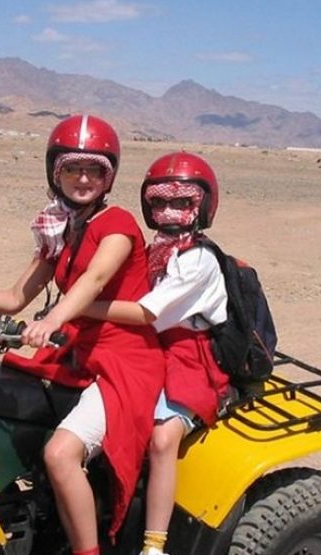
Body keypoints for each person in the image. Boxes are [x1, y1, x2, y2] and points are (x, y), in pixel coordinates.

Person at [0, 114, 164, 555]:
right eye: (72, 168)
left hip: (123, 362)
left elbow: (93, 282)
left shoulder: (118, 225)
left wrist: (53, 320)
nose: (83, 178)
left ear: (108, 176)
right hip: (77, 352)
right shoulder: (61, 230)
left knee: (60, 454)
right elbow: (17, 295)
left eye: (94, 170)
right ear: (56, 172)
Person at [83, 151, 230, 555]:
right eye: (160, 202)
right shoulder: (160, 249)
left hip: (190, 356)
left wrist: (78, 306)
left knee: (163, 438)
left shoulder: (197, 260)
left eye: (181, 202)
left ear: (201, 206)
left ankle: (153, 544)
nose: (169, 211)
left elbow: (147, 312)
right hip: (150, 346)